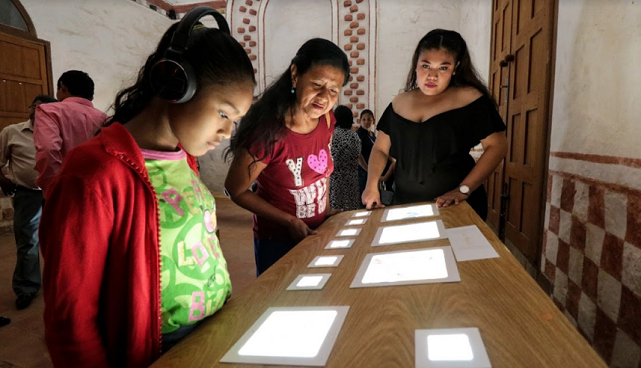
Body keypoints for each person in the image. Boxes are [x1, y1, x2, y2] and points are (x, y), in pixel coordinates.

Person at [39, 7, 255, 367]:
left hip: (213, 335)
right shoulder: (94, 173)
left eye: (235, 120)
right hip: (156, 351)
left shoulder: (183, 158)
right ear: (176, 86)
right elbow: (70, 319)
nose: (228, 132)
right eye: (223, 113)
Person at [225, 38, 349, 276]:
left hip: (317, 232)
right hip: (278, 241)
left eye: (333, 90)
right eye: (316, 84)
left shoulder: (326, 120)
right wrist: (288, 221)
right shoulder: (268, 132)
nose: (324, 97)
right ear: (295, 74)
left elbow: (321, 171)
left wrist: (327, 209)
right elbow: (235, 189)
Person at [362, 29, 507, 220]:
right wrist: (371, 185)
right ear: (416, 65)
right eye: (426, 65)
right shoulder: (399, 103)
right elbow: (380, 149)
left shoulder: (470, 99)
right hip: (405, 204)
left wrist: (464, 189)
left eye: (443, 68)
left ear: (456, 68)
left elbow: (497, 146)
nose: (432, 76)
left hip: (455, 206)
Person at [0, 95, 56, 310]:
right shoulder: (11, 132)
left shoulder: (56, 133)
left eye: (44, 108)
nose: (37, 110)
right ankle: (27, 287)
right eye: (34, 106)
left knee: (57, 241)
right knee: (28, 242)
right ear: (29, 109)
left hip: (54, 193)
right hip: (27, 194)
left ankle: (57, 283)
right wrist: (3, 180)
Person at [33, 70, 108, 197]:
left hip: (64, 190)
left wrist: (52, 187)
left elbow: (48, 150)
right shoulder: (105, 118)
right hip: (98, 190)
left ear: (63, 87)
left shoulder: (49, 111)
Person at [356, 109, 395, 199]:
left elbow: (381, 150)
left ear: (373, 121)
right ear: (360, 121)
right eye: (364, 119)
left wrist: (393, 160)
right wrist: (369, 171)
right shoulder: (358, 135)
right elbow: (358, 156)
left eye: (369, 119)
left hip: (374, 170)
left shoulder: (373, 135)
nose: (366, 122)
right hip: (364, 172)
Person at [329, 105, 361, 211]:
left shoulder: (332, 135)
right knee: (351, 212)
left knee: (336, 213)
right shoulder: (354, 136)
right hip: (352, 178)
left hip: (335, 180)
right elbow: (358, 155)